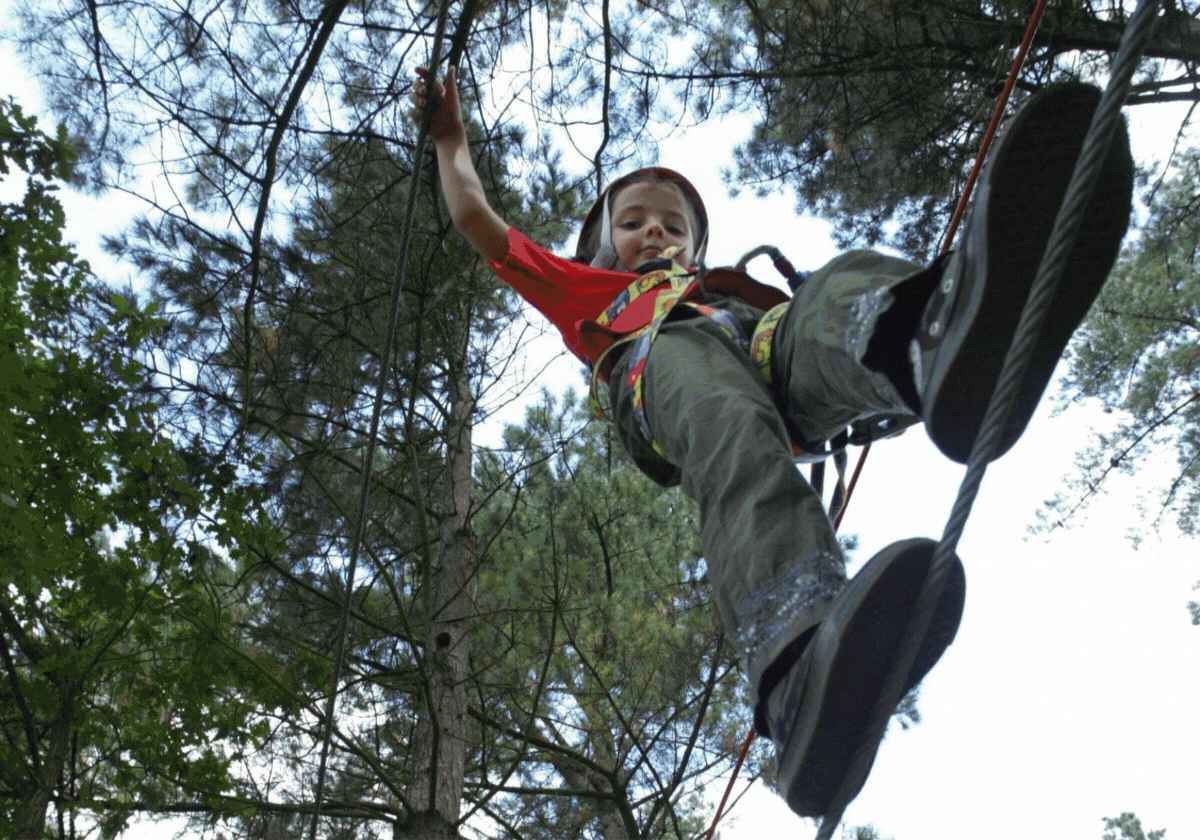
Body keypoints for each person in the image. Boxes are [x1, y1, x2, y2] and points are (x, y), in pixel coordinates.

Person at [410, 67, 1133, 817]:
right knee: (730, 430)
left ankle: (929, 338)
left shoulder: (730, 289)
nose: (654, 230)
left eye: (672, 224)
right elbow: (478, 221)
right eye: (632, 223)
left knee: (829, 290)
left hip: (765, 356)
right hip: (670, 374)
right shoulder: (590, 293)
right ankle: (794, 666)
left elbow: (788, 332)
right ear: (601, 248)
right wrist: (451, 139)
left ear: (693, 246)